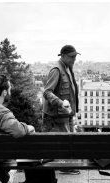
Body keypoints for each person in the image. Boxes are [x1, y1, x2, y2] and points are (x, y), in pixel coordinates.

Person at [42, 45, 80, 175]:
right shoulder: (57, 70)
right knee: (65, 141)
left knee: (68, 140)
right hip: (58, 114)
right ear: (62, 55)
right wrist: (60, 103)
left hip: (66, 113)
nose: (74, 59)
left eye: (75, 56)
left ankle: (67, 165)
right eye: (71, 56)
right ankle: (65, 167)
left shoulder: (68, 68)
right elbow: (47, 92)